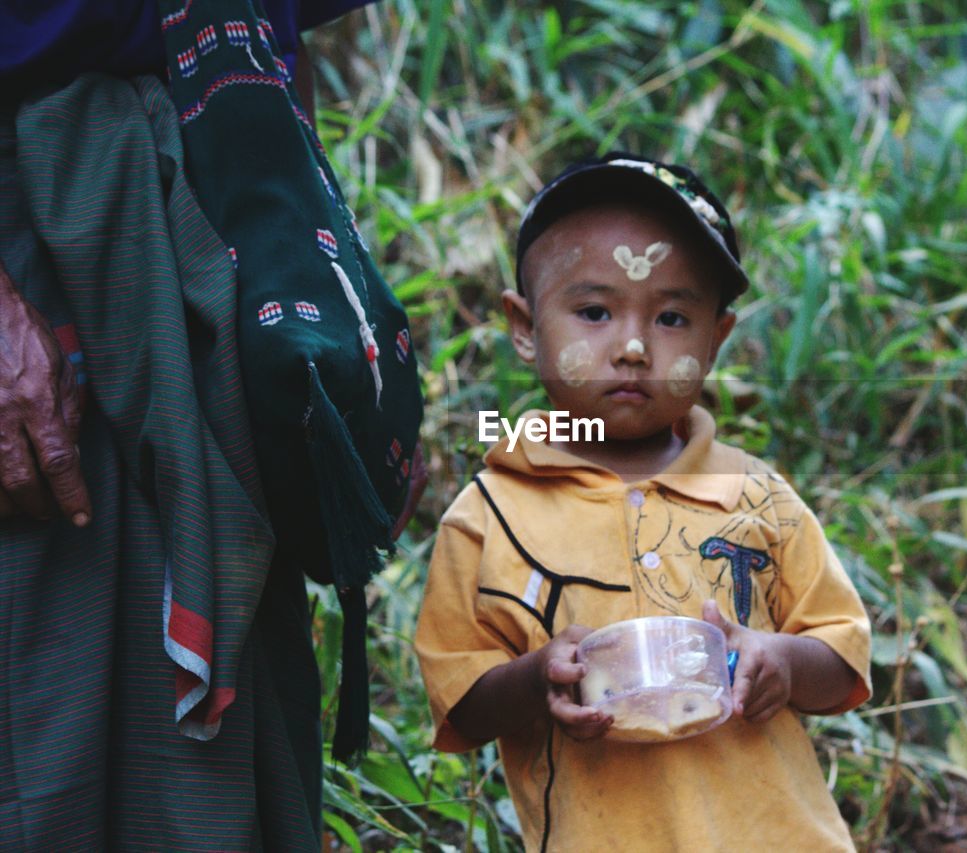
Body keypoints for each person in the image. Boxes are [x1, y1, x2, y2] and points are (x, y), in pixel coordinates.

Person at [0, 2, 425, 849]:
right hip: (37, 234)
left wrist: (348, 340)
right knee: (46, 695)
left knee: (224, 731)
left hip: (218, 244)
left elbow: (276, 54)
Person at [414, 153, 873, 851]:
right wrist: (538, 678)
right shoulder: (489, 517)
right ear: (525, 325)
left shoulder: (756, 496)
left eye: (670, 318)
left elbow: (843, 655)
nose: (632, 346)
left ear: (716, 338)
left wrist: (780, 659)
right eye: (594, 311)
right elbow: (462, 701)